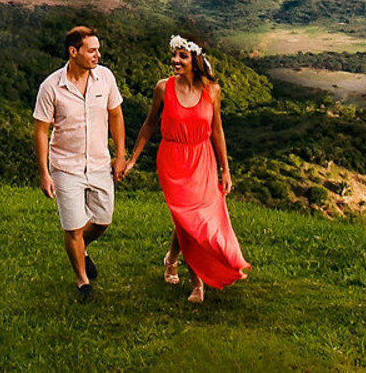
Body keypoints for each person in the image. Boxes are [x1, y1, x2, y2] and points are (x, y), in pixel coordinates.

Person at [119, 34, 249, 302]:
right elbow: (149, 124)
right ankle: (197, 284)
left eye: (182, 56)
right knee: (187, 219)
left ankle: (171, 258)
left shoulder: (212, 90)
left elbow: (217, 131)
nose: (175, 60)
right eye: (174, 55)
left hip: (203, 158)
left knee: (196, 221)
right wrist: (132, 159)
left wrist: (226, 169)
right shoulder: (162, 88)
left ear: (195, 60)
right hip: (173, 159)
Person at [32, 25, 126, 301]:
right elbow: (41, 130)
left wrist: (120, 155)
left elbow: (116, 115)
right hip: (65, 167)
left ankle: (81, 247)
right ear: (73, 52)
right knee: (73, 227)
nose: (98, 55)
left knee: (103, 220)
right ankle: (82, 281)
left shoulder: (105, 78)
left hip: (99, 164)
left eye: (98, 49)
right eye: (91, 50)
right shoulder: (51, 87)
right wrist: (44, 173)